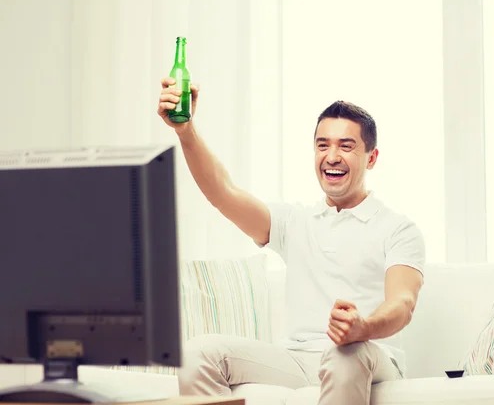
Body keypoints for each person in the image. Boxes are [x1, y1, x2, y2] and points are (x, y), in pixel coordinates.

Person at [157, 77, 426, 405]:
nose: (331, 156)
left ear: (371, 158)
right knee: (196, 354)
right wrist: (185, 131)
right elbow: (222, 193)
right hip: (299, 359)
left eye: (346, 145)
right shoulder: (294, 222)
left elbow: (402, 304)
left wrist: (363, 328)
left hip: (369, 353)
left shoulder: (398, 229)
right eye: (323, 145)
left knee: (345, 354)